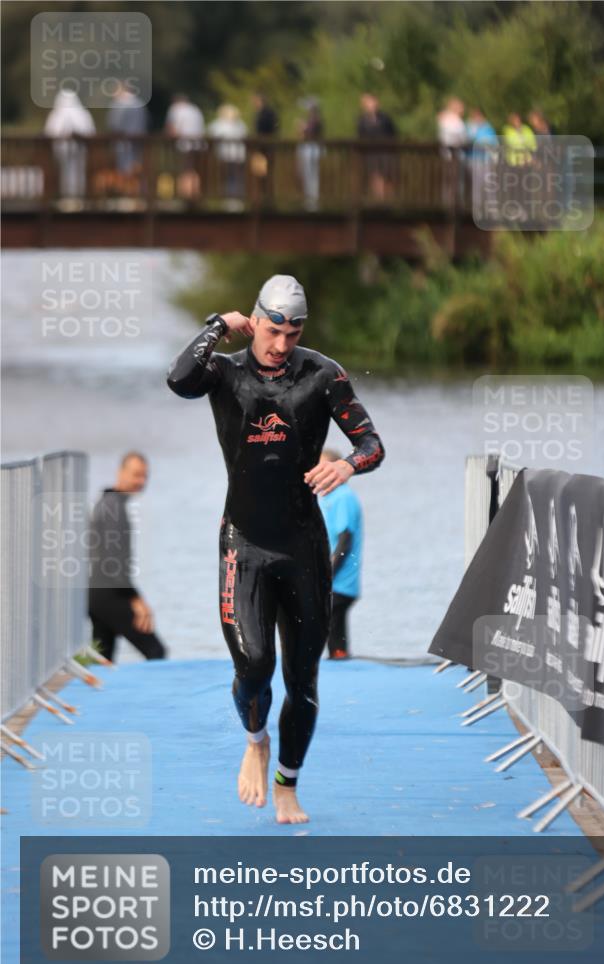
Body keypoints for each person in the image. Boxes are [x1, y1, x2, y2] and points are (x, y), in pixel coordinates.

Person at [166, 275, 385, 824]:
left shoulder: (322, 374)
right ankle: (255, 739)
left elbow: (372, 444)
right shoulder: (225, 371)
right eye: (271, 331)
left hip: (303, 544)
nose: (281, 345)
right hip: (244, 543)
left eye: (292, 334)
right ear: (256, 320)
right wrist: (217, 325)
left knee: (303, 678)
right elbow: (178, 378)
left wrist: (346, 465)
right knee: (254, 663)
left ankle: (288, 783)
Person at [88, 452, 167, 662]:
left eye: (144, 476)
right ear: (121, 473)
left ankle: (97, 694)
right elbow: (113, 563)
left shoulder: (106, 501)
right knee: (155, 651)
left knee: (103, 659)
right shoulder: (114, 508)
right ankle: (156, 695)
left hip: (96, 593)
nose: (140, 481)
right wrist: (137, 600)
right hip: (109, 594)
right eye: (135, 475)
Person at [318, 448, 363, 659]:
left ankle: (340, 660)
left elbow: (345, 541)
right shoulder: (327, 497)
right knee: (326, 631)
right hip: (331, 580)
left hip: (340, 583)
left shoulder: (343, 497)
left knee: (334, 636)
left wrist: (327, 575)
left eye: (322, 466)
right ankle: (337, 657)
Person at [43, 88, 96, 202]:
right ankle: (75, 196)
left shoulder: (58, 114)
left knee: (70, 172)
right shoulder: (82, 113)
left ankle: (70, 197)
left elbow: (50, 131)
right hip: (76, 151)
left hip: (67, 151)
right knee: (75, 172)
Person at [357, 93, 397, 201]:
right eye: (369, 103)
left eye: (373, 102)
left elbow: (393, 133)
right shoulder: (362, 120)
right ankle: (379, 201)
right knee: (375, 177)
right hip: (371, 153)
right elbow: (360, 136)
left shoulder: (385, 118)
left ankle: (389, 202)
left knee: (388, 178)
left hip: (386, 152)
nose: (372, 105)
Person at [106, 80, 148, 184]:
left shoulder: (118, 104)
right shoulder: (140, 103)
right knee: (137, 165)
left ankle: (126, 191)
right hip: (138, 141)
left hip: (122, 142)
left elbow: (113, 124)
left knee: (124, 168)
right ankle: (137, 190)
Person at [165, 94, 206, 198]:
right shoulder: (195, 109)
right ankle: (194, 193)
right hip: (198, 144)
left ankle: (186, 195)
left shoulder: (175, 109)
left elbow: (171, 129)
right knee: (193, 170)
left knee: (185, 169)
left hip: (183, 144)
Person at [207, 103, 248, 203]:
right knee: (236, 178)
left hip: (226, 156)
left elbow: (210, 135)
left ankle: (231, 199)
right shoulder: (240, 124)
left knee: (229, 177)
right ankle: (235, 199)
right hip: (238, 157)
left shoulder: (218, 124)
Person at [296, 97, 323, 209]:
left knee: (312, 175)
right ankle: (309, 199)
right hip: (309, 149)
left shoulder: (316, 120)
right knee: (307, 175)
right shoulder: (313, 119)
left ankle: (313, 201)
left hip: (312, 149)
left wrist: (304, 128)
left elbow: (311, 132)